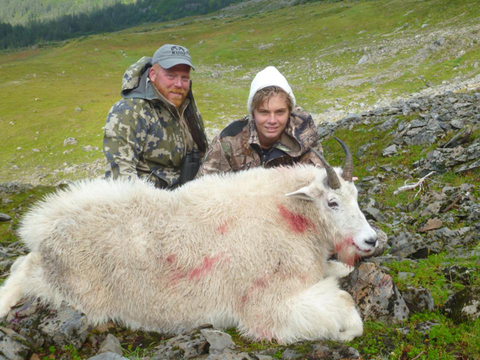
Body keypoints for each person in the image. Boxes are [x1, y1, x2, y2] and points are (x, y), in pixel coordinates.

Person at [103, 44, 208, 189]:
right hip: (149, 203)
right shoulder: (129, 112)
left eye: (185, 78)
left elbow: (203, 154)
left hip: (187, 197)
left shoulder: (187, 108)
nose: (179, 84)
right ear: (153, 74)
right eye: (171, 76)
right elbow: (120, 178)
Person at [196, 66, 320, 176]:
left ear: (289, 112)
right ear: (253, 113)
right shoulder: (228, 141)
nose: (272, 120)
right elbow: (204, 189)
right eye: (264, 112)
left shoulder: (304, 137)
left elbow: (318, 184)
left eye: (280, 112)